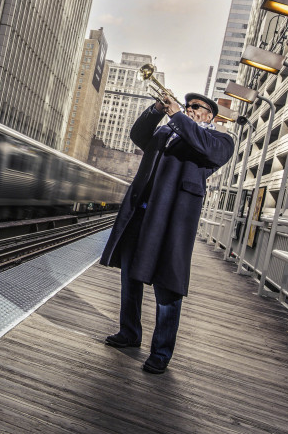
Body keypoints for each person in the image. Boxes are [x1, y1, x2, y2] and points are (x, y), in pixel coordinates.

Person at [99, 91, 234, 374]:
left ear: (210, 115)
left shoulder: (220, 140)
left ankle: (161, 351)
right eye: (187, 106)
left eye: (196, 107)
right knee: (129, 276)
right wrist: (157, 109)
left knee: (168, 286)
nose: (189, 109)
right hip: (142, 213)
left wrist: (177, 115)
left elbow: (204, 146)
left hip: (174, 219)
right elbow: (138, 135)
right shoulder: (166, 130)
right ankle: (129, 332)